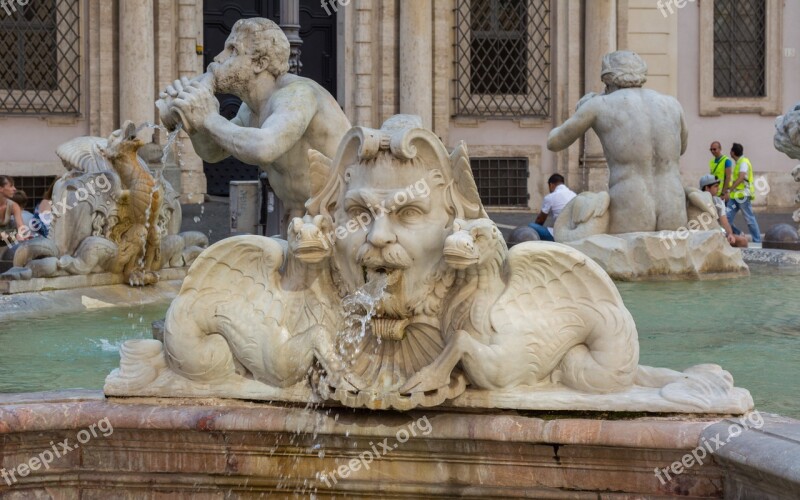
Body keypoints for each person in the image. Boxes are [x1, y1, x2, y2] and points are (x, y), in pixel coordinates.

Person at [160, 18, 351, 230]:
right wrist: (191, 119)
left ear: (260, 63)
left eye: (232, 50)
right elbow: (213, 152)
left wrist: (209, 118)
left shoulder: (297, 95)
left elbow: (263, 148)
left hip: (347, 221)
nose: (217, 58)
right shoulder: (250, 109)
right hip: (302, 223)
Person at [547, 50, 688, 234]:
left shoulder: (599, 104)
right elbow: (682, 149)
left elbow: (554, 142)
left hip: (632, 206)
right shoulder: (672, 104)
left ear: (607, 79)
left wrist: (582, 110)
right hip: (674, 207)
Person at [726, 143, 762, 245]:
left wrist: (730, 189)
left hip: (743, 196)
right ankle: (735, 234)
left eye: (730, 151)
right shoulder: (739, 163)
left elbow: (741, 177)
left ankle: (757, 241)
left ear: (733, 152)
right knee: (726, 217)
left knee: (749, 219)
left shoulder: (743, 162)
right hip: (735, 197)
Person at [698, 174, 747, 247]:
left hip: (716, 234)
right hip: (700, 236)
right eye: (715, 186)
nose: (718, 188)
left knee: (743, 241)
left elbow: (725, 222)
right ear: (707, 188)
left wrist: (730, 234)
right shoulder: (697, 199)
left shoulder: (718, 201)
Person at [528, 174, 576, 241]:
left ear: (551, 185)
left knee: (531, 226)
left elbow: (540, 220)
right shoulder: (574, 195)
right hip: (573, 234)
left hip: (558, 236)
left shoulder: (550, 197)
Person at [0, 176, 27, 243]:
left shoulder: (14, 205)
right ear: (1, 188)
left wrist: (20, 235)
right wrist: (13, 236)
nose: (14, 189)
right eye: (11, 186)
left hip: (6, 240)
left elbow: (21, 226)